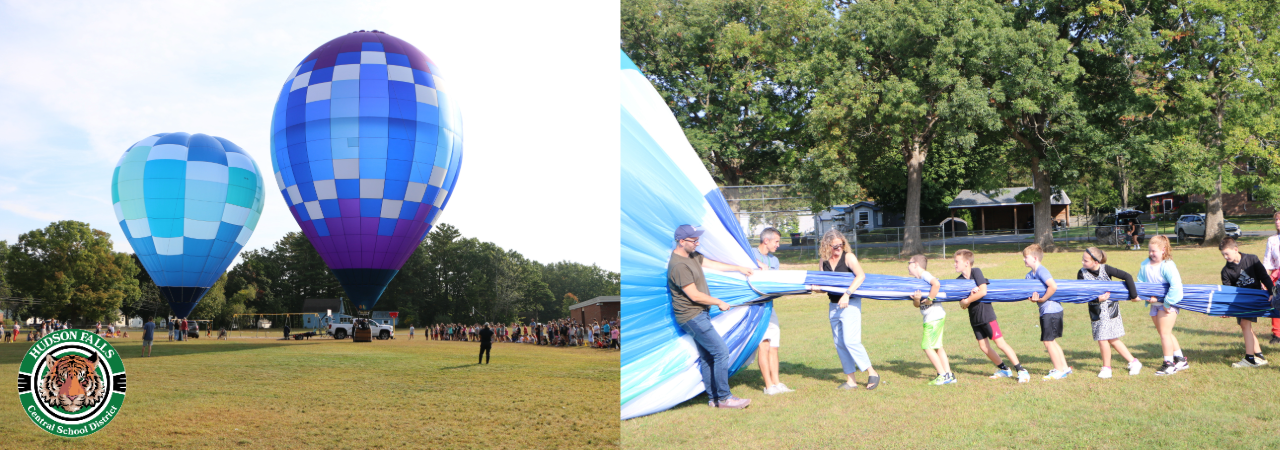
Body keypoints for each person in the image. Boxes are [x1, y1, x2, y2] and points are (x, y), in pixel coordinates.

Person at [669, 224, 754, 409]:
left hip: (698, 314)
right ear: (682, 241)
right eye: (694, 240)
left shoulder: (691, 256)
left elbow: (711, 264)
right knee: (721, 352)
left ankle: (714, 399)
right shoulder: (679, 265)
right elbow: (694, 295)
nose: (698, 243)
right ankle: (725, 398)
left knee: (708, 356)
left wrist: (738, 268)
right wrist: (718, 302)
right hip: (692, 316)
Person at [813, 228, 880, 390]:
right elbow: (825, 285)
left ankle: (872, 372)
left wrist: (847, 294)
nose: (838, 249)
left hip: (850, 303)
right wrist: (818, 288)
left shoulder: (848, 257)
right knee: (840, 343)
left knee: (851, 341)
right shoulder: (824, 261)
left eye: (841, 245)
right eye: (835, 246)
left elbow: (861, 276)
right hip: (833, 305)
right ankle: (851, 380)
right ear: (826, 245)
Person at [954, 249, 1029, 382]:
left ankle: (1021, 370)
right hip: (974, 318)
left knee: (1000, 343)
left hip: (987, 316)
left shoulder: (976, 272)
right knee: (983, 347)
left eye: (956, 261)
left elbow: (983, 291)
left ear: (966, 263)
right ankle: (1004, 369)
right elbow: (962, 305)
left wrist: (968, 299)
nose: (954, 264)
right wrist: (968, 299)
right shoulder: (959, 280)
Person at [1078, 247, 1142, 378]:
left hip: (1110, 309)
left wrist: (1134, 296)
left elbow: (1127, 276)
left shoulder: (1106, 269)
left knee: (1103, 338)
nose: (1082, 262)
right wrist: (1097, 299)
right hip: (1096, 310)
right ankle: (1134, 362)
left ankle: (1107, 368)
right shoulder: (1082, 273)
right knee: (1112, 339)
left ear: (1096, 262)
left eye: (1086, 260)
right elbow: (1082, 293)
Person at [750, 227, 794, 395]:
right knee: (764, 345)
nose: (778, 245)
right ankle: (768, 386)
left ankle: (777, 382)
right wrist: (758, 264)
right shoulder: (750, 252)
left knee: (774, 345)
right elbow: (740, 260)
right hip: (755, 307)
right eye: (776, 241)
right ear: (765, 241)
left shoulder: (774, 261)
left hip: (769, 305)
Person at [1219, 237, 1274, 368]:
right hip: (1240, 302)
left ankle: (1250, 359)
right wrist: (1227, 309)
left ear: (1235, 249)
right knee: (1246, 327)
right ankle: (1259, 356)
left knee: (1245, 324)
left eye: (1227, 253)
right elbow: (1228, 293)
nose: (1225, 257)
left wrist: (1272, 292)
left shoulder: (1252, 259)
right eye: (1223, 255)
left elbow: (1264, 277)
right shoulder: (1226, 271)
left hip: (1255, 299)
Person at [1139, 235, 1188, 376]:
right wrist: (1147, 298)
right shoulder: (1144, 265)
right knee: (1163, 333)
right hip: (1154, 304)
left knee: (1165, 334)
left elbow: (1176, 286)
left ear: (1163, 250)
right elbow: (1141, 283)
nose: (1151, 254)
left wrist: (1167, 303)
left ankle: (1169, 364)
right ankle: (1180, 359)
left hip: (1168, 304)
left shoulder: (1168, 265)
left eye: (1154, 251)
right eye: (1149, 250)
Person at [1024, 244, 1071, 380]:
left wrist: (1042, 299)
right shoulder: (1030, 275)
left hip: (1051, 309)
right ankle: (1065, 368)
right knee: (1052, 341)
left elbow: (1053, 286)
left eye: (1026, 257)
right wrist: (1034, 299)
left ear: (1034, 258)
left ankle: (1058, 370)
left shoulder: (1041, 271)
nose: (1024, 260)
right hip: (1048, 311)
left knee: (1048, 341)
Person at [908, 255, 953, 385]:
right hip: (935, 316)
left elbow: (936, 283)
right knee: (938, 346)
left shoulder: (924, 275)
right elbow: (918, 305)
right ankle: (949, 374)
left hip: (933, 317)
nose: (908, 266)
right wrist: (917, 299)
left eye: (909, 263)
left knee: (927, 346)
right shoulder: (918, 281)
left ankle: (942, 375)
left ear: (916, 264)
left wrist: (930, 299)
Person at [1261, 211, 1280, 344]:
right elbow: (1267, 262)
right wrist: (1265, 279)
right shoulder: (1272, 240)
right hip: (1275, 277)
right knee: (1275, 303)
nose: (1277, 222)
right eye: (1276, 220)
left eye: (1279, 219)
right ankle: (1277, 334)